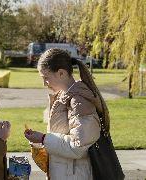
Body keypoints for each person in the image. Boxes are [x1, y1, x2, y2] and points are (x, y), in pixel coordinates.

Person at [24, 48, 111, 180]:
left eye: (46, 78)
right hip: (64, 173)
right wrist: (41, 141)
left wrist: (43, 139)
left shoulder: (79, 101)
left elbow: (78, 147)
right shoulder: (63, 96)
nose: (44, 84)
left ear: (61, 73)